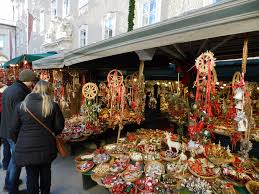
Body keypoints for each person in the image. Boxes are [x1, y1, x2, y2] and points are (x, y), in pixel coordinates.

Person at [10, 80, 64, 194]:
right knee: (46, 173)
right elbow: (59, 127)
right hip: (46, 147)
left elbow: (13, 129)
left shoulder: (21, 105)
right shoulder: (52, 105)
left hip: (27, 148)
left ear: (34, 89)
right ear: (48, 91)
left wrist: (21, 142)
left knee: (31, 175)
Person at [0, 69, 38, 194]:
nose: (33, 83)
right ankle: (12, 188)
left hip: (7, 129)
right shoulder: (19, 92)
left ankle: (10, 183)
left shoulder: (11, 89)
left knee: (14, 159)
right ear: (29, 81)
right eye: (33, 81)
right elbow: (21, 115)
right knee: (17, 161)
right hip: (13, 131)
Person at [0, 81, 9, 170]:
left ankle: (5, 164)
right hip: (4, 124)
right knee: (6, 144)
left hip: (3, 124)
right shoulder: (5, 95)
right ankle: (6, 164)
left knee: (6, 144)